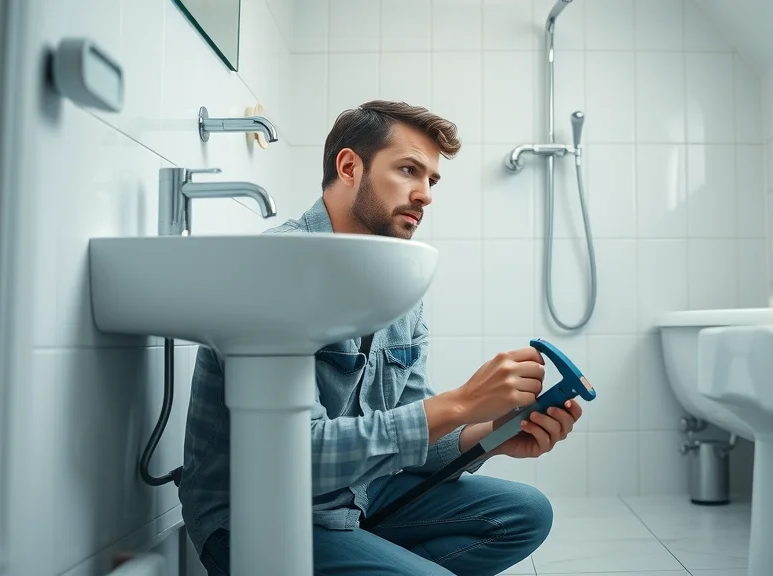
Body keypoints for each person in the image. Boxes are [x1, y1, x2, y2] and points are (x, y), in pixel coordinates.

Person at [178, 100, 584, 575]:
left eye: (431, 180)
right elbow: (291, 459)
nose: (426, 194)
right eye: (409, 170)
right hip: (257, 512)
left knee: (525, 513)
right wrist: (462, 402)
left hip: (355, 494)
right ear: (349, 166)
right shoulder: (273, 269)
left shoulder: (397, 278)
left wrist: (493, 434)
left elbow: (410, 431)